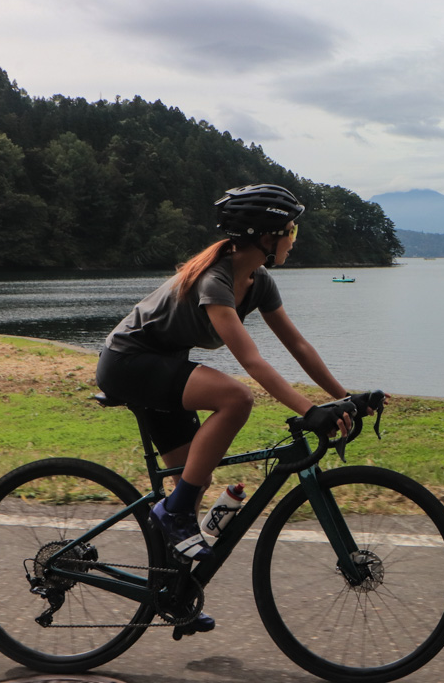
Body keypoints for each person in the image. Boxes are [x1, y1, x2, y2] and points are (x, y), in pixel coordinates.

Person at [96, 184, 370, 632]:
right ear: (266, 235)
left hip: (161, 365)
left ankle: (174, 592)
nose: (294, 240)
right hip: (128, 364)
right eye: (291, 230)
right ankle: (174, 512)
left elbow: (297, 344)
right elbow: (251, 360)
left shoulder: (258, 280)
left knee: (194, 478)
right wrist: (308, 409)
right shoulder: (215, 282)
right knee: (236, 396)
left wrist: (342, 398)